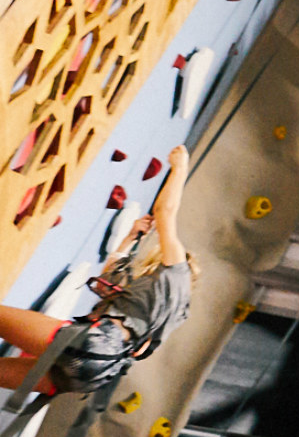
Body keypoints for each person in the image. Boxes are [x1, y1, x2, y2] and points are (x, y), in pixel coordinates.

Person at [0, 145, 194, 396]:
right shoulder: (168, 314)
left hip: (95, 345)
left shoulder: (178, 272)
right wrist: (130, 238)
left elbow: (165, 212)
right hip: (96, 373)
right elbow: (107, 284)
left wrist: (180, 168)